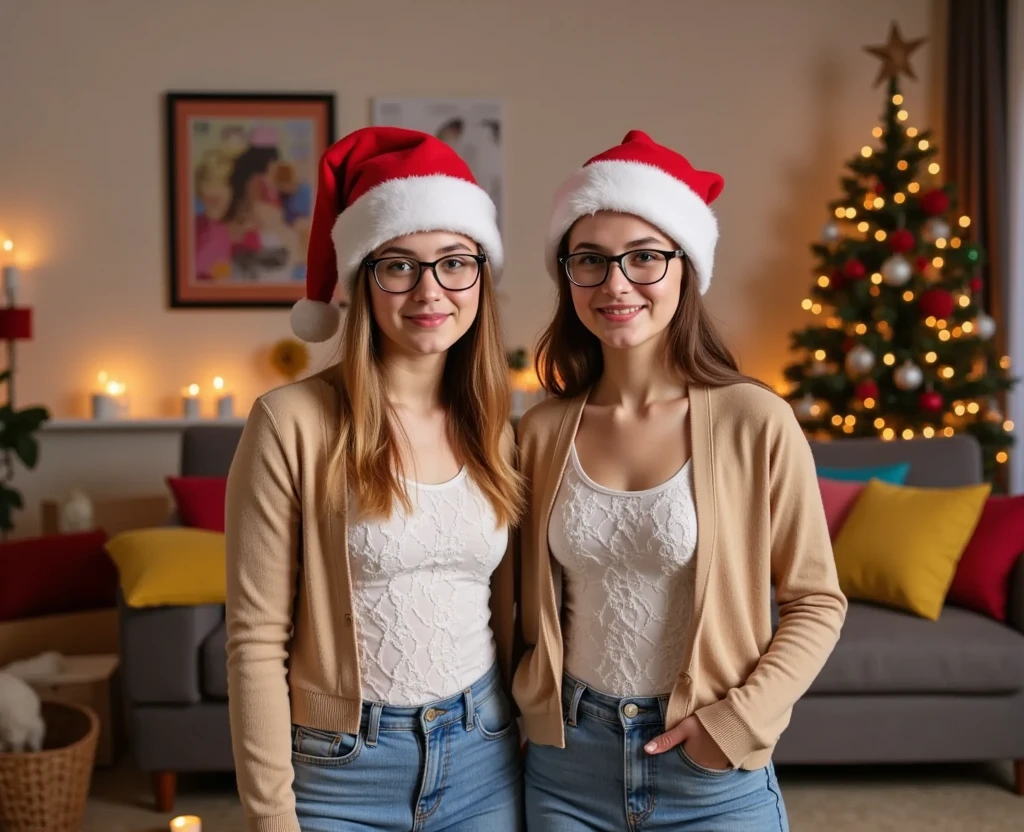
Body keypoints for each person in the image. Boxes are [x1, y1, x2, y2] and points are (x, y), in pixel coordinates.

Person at [513, 130, 847, 831]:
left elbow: (816, 600)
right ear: (567, 275)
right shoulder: (539, 433)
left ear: (686, 269)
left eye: (644, 258)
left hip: (710, 771)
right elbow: (515, 610)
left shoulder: (756, 420)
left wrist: (736, 723)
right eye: (591, 261)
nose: (615, 284)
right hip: (568, 766)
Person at [225, 126, 524, 832]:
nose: (431, 290)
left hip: (484, 751)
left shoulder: (497, 425)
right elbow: (255, 638)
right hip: (340, 771)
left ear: (480, 275)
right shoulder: (290, 422)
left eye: (455, 263)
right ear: (362, 280)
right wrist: (271, 817)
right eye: (398, 265)